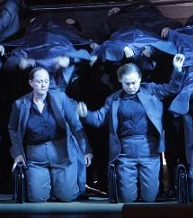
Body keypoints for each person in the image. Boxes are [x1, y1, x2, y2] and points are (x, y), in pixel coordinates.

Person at [77, 54, 185, 204]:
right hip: (125, 152)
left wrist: (177, 70)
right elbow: (99, 119)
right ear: (120, 81)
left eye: (134, 83)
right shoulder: (114, 99)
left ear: (140, 79)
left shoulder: (151, 90)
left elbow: (173, 88)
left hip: (149, 150)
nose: (131, 87)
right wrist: (85, 114)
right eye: (127, 83)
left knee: (150, 197)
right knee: (127, 198)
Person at [8, 66, 92, 203]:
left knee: (67, 196)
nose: (43, 85)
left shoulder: (60, 98)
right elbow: (12, 128)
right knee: (37, 198)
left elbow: (75, 125)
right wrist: (17, 153)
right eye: (39, 81)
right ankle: (49, 186)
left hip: (61, 152)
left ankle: (60, 186)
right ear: (31, 83)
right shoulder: (20, 104)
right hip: (36, 155)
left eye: (46, 81)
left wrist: (86, 149)